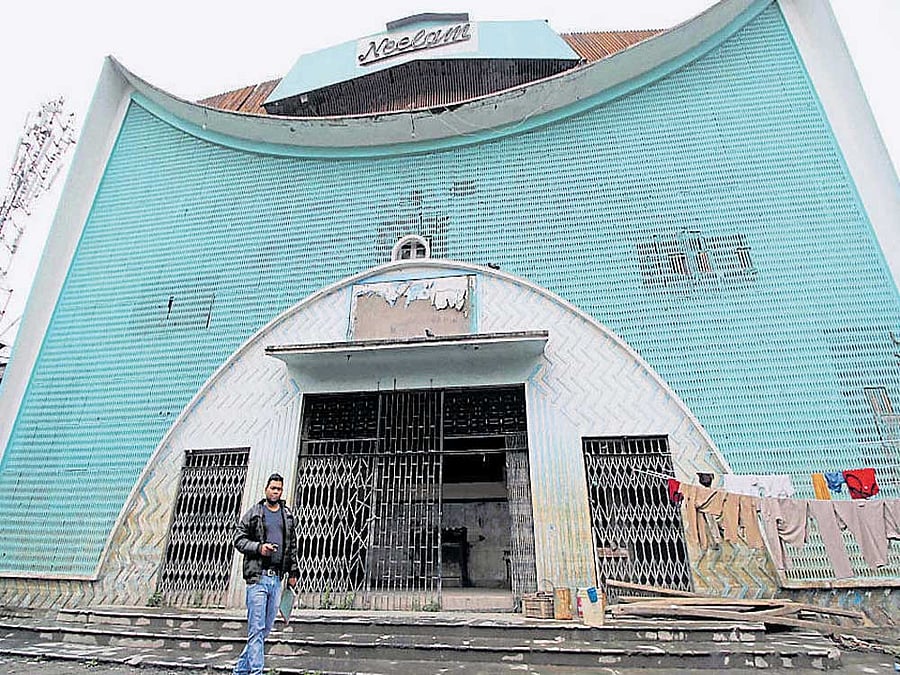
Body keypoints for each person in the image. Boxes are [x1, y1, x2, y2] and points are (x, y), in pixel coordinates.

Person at [232, 473, 299, 675]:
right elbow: (238, 539)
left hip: (277, 579)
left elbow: (292, 546)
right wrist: (259, 548)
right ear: (266, 489)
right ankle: (256, 672)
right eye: (273, 488)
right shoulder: (255, 513)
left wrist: (293, 572)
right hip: (258, 578)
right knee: (256, 629)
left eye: (279, 489)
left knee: (265, 629)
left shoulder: (286, 515)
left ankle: (240, 671)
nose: (275, 492)